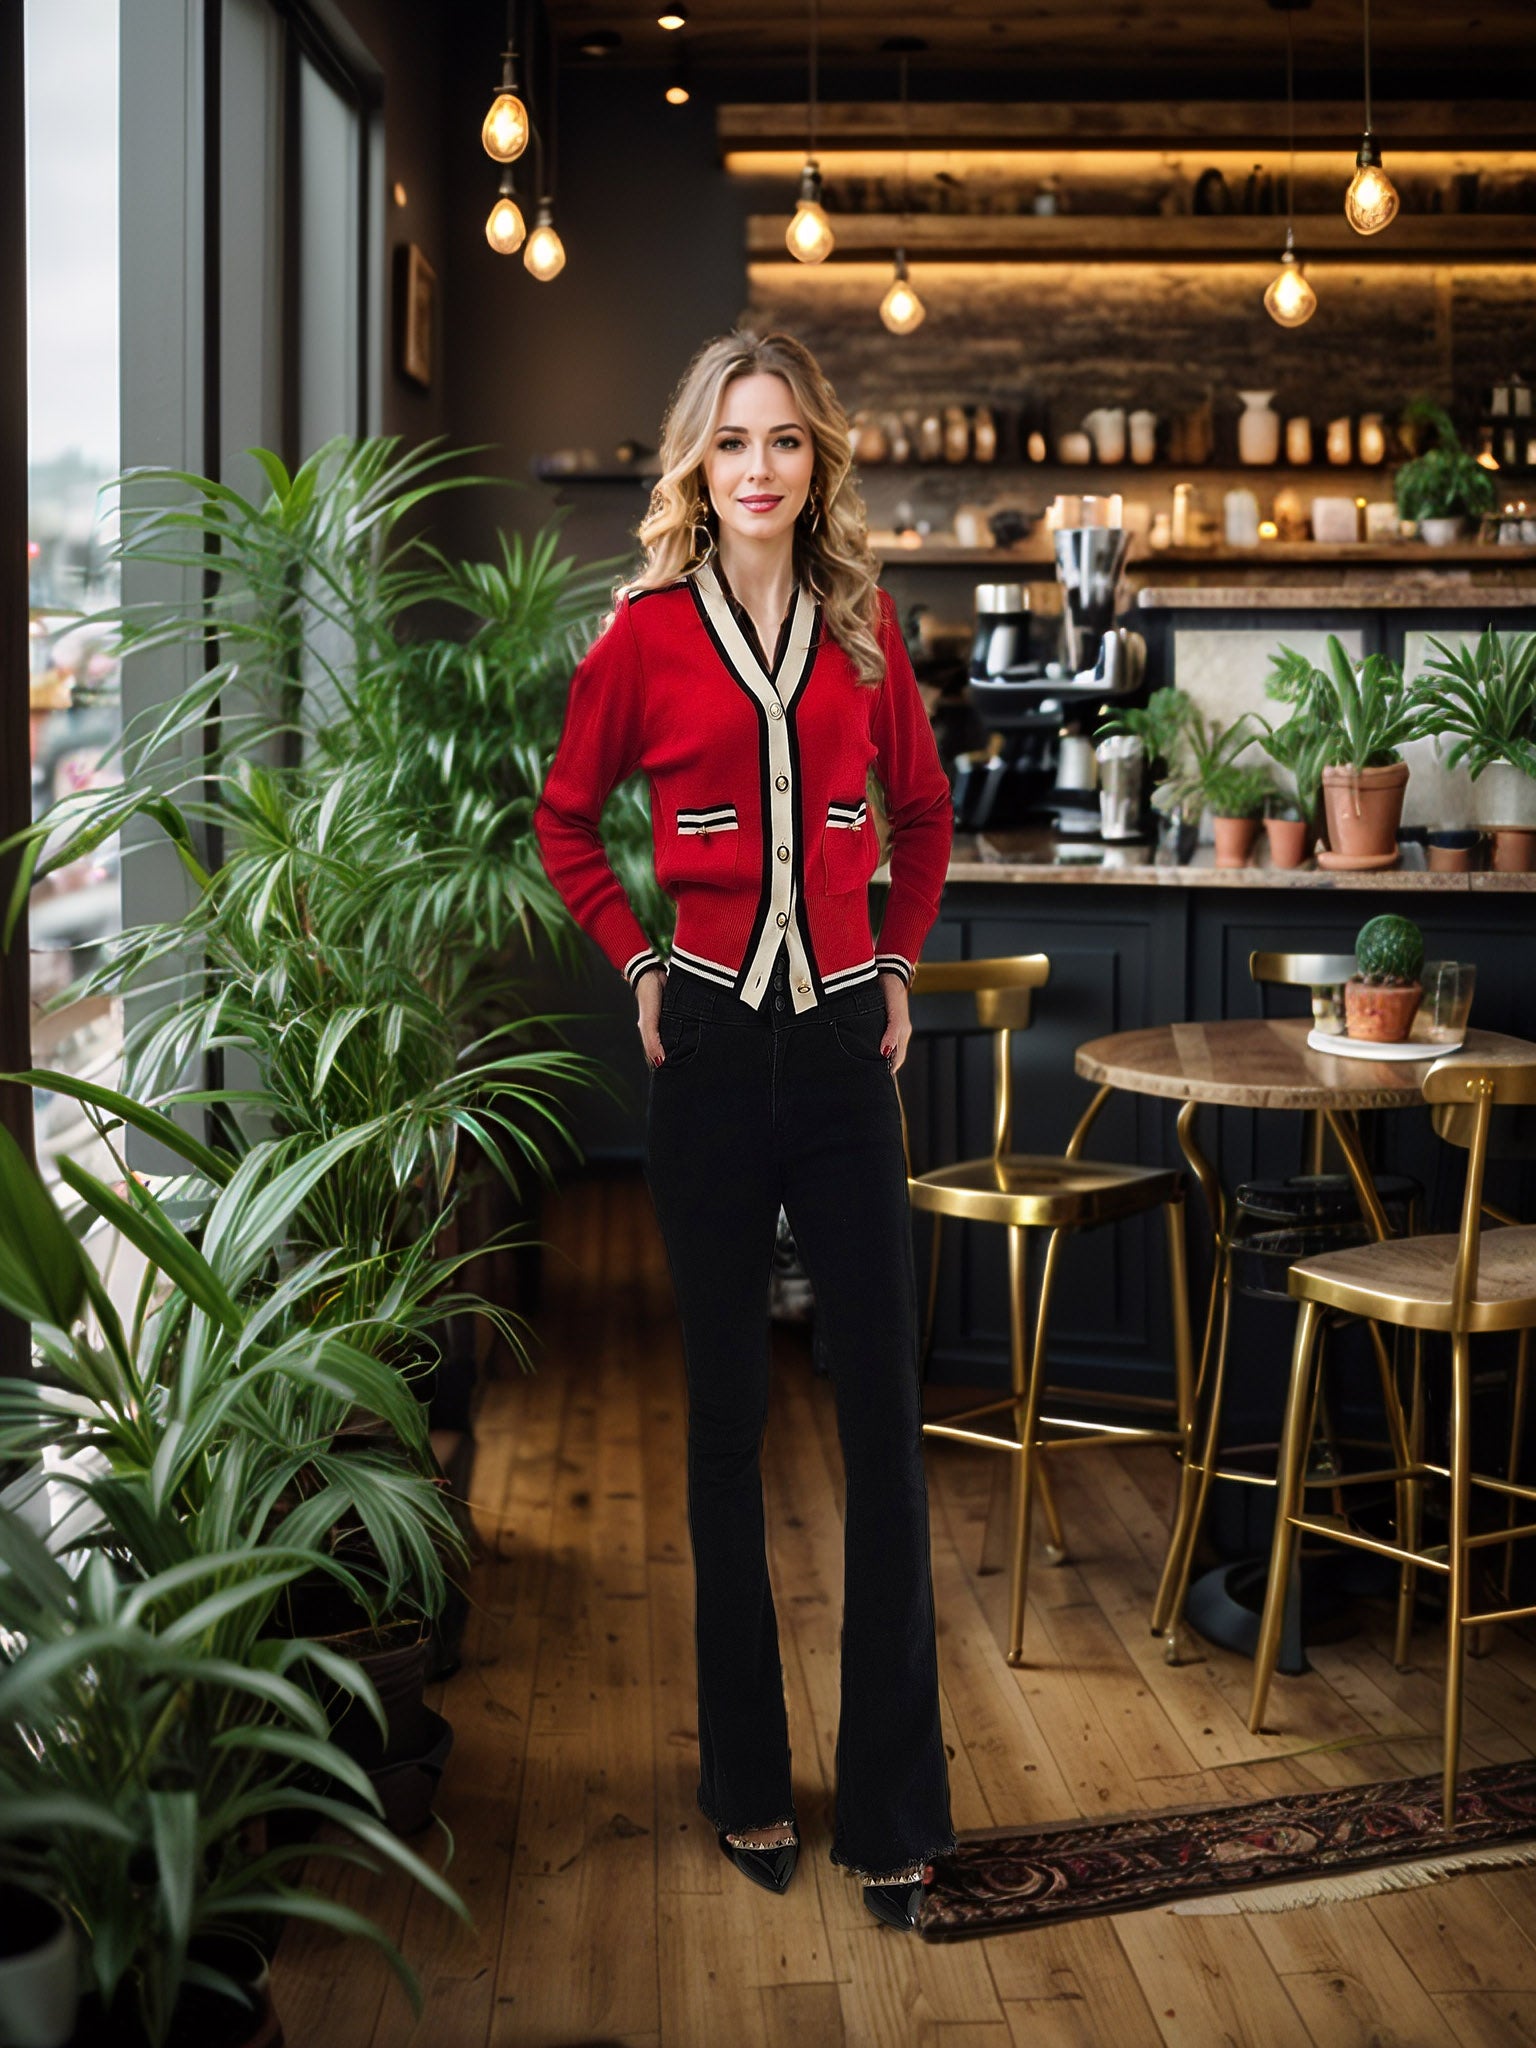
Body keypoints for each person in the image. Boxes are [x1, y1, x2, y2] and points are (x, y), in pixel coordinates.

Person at [533, 329, 956, 1931]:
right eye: (733, 444)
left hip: (847, 1049)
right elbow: (568, 820)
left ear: (817, 462)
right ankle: (748, 1784)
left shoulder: (866, 630)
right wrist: (640, 958)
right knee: (723, 1433)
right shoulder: (640, 637)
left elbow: (916, 817)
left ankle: (897, 1807)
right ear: (696, 470)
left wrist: (898, 959)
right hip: (707, 1045)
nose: (761, 468)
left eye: (784, 440)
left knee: (882, 1440)